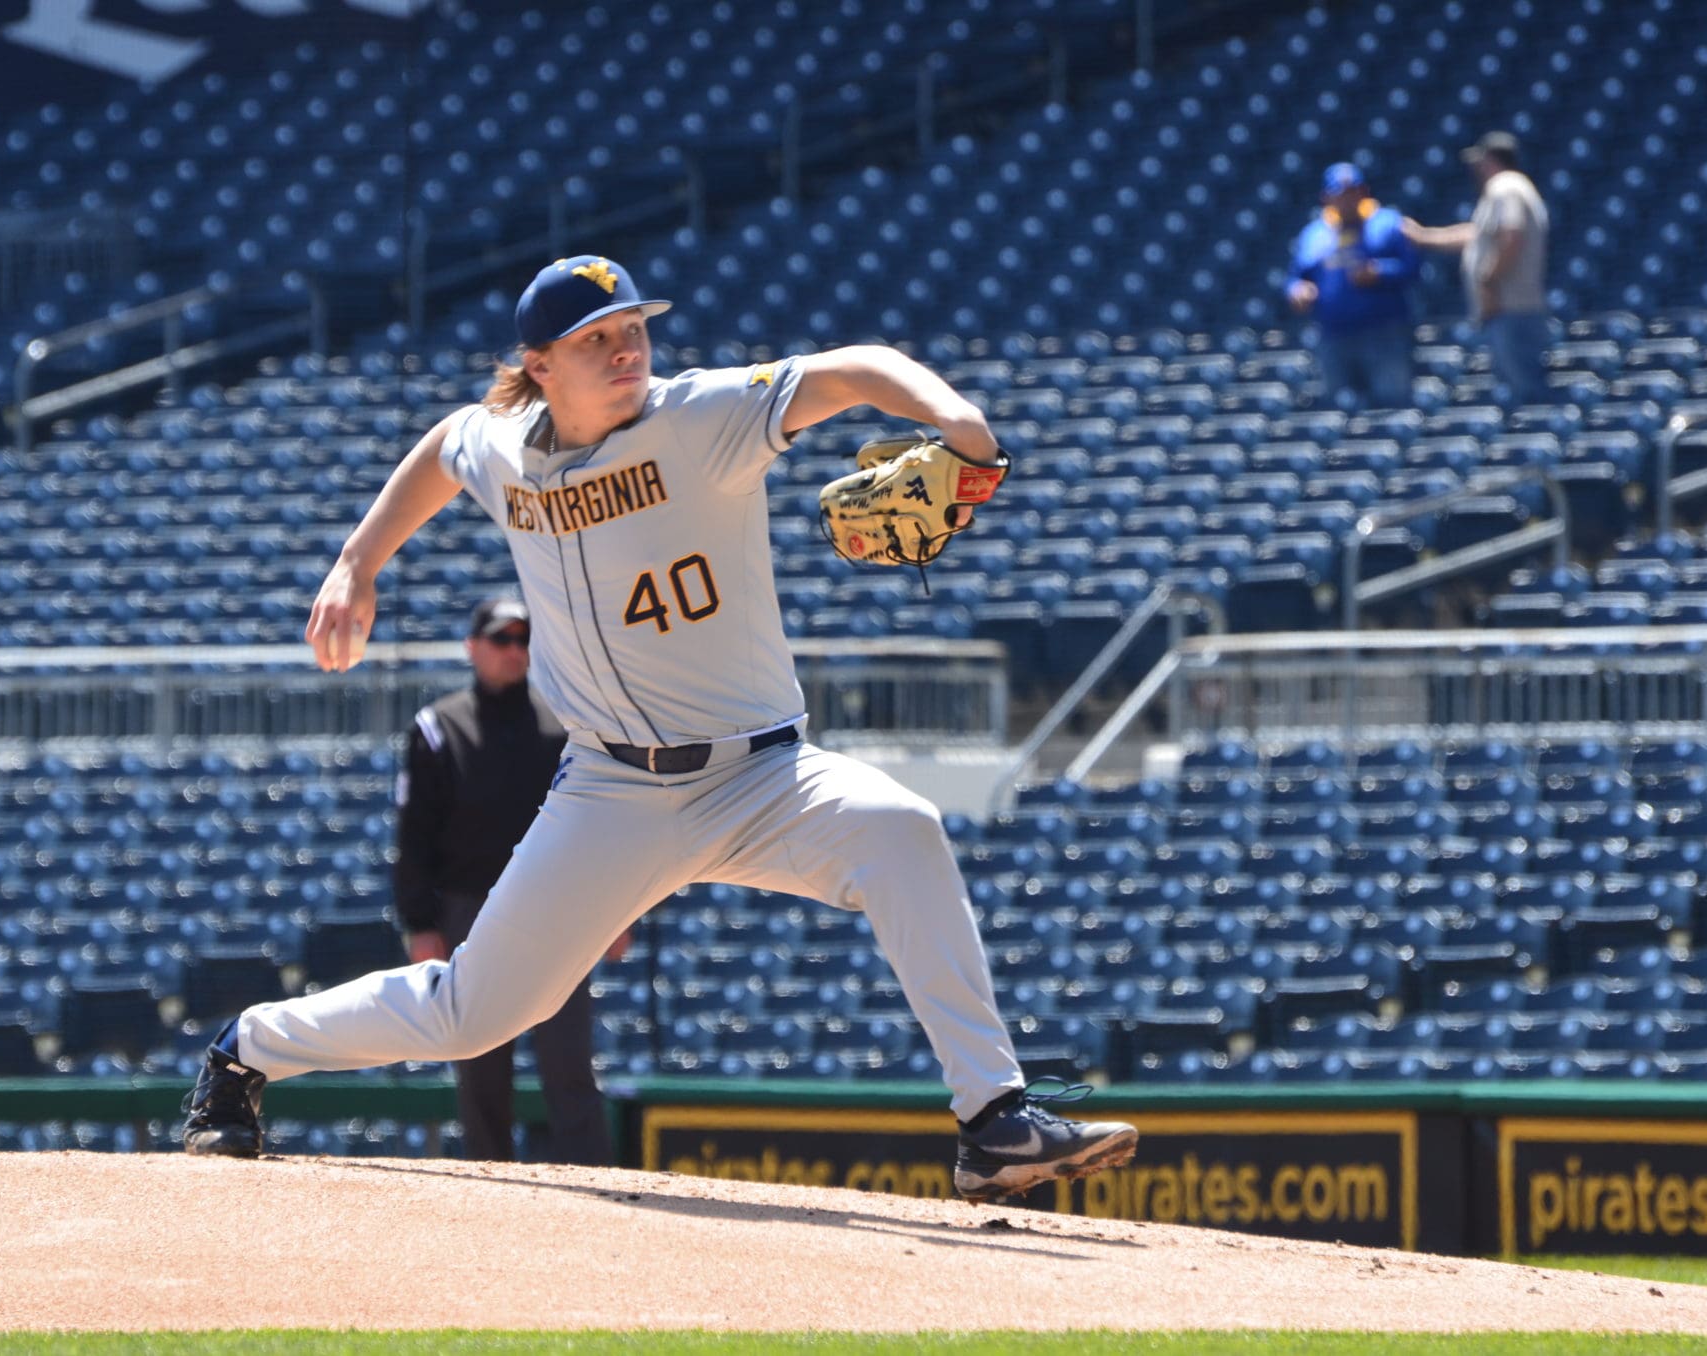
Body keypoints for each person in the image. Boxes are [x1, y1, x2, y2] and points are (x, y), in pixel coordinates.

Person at [179, 252, 1140, 1202]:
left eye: (633, 329)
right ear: (541, 363)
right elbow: (446, 445)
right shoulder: (504, 442)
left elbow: (854, 368)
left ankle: (992, 1121)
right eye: (597, 339)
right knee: (475, 1012)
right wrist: (358, 561)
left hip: (761, 775)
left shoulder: (704, 418)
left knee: (903, 829)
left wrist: (955, 419)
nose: (626, 348)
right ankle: (245, 1050)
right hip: (612, 792)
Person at [395, 595, 622, 1166]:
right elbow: (414, 836)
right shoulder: (439, 727)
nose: (514, 651)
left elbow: (601, 826)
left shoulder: (565, 724)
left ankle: (593, 1187)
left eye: (523, 640)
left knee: (569, 1063)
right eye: (501, 640)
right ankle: (489, 1186)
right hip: (470, 909)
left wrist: (619, 911)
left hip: (558, 910)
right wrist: (421, 923)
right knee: (480, 1062)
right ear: (472, 647)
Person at [1404, 130, 1552, 407]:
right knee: (1519, 388)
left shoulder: (1505, 186)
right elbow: (1477, 236)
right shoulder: (1511, 189)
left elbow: (1512, 235)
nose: (1477, 167)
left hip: (1511, 309)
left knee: (1525, 394)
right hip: (1511, 311)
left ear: (1492, 159)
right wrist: (1424, 237)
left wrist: (1487, 280)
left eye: (1481, 160)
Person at [1286, 162, 1421, 410]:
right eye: (1340, 194)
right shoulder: (1315, 233)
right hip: (1333, 336)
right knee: (1339, 408)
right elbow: (1296, 277)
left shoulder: (1388, 223)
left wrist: (1380, 272)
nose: (1347, 199)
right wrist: (1297, 291)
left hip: (1384, 332)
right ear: (1326, 197)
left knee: (1391, 404)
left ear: (1364, 192)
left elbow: (1413, 269)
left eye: (1353, 192)